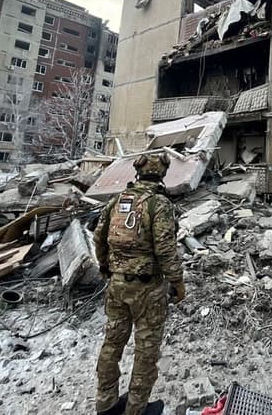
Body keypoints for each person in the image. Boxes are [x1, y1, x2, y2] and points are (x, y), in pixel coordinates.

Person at [94, 152, 185, 415]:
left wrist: (105, 267)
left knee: (112, 344)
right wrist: (177, 281)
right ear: (162, 174)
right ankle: (136, 409)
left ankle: (105, 403)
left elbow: (99, 237)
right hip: (148, 289)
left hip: (117, 285)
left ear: (138, 172)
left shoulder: (117, 200)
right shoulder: (159, 204)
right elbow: (165, 249)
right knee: (146, 351)